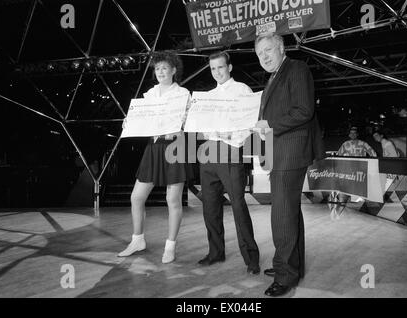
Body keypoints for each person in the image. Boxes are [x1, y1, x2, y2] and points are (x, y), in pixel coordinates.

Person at [254, 33, 324, 297]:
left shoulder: (296, 69)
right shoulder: (272, 78)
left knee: (282, 214)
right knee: (290, 212)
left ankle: (285, 276)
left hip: (291, 151)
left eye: (268, 50)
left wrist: (269, 125)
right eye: (260, 54)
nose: (264, 57)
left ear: (282, 48)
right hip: (280, 150)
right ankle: (291, 265)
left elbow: (304, 110)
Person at [118, 51, 190, 264]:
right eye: (157, 69)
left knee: (172, 200)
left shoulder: (183, 93)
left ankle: (170, 247)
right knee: (136, 197)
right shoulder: (149, 95)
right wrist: (129, 122)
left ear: (173, 70)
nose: (160, 72)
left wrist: (181, 127)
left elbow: (189, 122)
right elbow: (143, 120)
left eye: (164, 68)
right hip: (154, 147)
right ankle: (137, 240)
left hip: (175, 147)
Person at [197, 51, 260, 275]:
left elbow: (250, 122)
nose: (217, 72)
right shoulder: (209, 95)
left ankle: (251, 258)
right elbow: (204, 127)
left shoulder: (242, 90)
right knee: (210, 207)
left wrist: (230, 137)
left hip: (231, 151)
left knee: (238, 205)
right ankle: (216, 252)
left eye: (220, 68)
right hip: (208, 153)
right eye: (213, 69)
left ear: (229, 67)